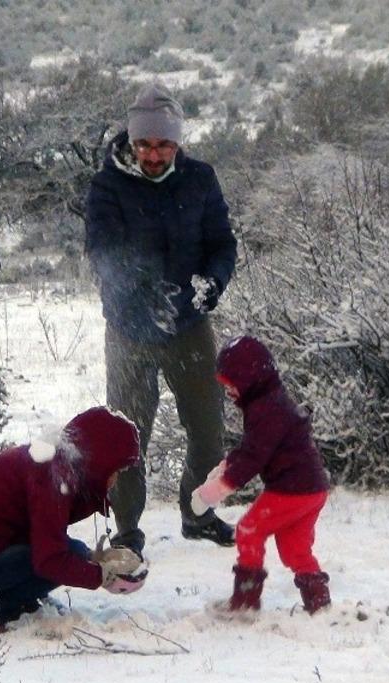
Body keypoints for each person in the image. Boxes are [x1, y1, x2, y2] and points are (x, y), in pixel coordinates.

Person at [84, 82, 237, 555]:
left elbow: (222, 243)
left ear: (177, 142)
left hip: (188, 324)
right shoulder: (108, 185)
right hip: (129, 328)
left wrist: (212, 284)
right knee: (127, 437)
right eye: (145, 144)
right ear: (132, 141)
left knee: (208, 428)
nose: (153, 155)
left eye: (163, 144)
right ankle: (127, 528)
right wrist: (141, 291)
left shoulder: (200, 179)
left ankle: (198, 513)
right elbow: (102, 250)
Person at [0, 407, 148, 634]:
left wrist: (94, 559)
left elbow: (42, 535)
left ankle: (24, 598)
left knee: (76, 552)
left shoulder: (54, 464)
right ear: (100, 460)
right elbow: (50, 560)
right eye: (116, 469)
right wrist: (103, 576)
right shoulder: (52, 479)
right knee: (66, 556)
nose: (116, 478)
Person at [191, 336, 332, 614]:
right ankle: (319, 604)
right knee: (295, 549)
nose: (228, 390)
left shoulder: (268, 409)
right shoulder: (268, 402)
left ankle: (245, 602)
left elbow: (253, 456)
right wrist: (227, 465)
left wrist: (218, 488)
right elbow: (252, 446)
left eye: (231, 383)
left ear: (249, 379)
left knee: (249, 530)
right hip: (312, 489)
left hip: (292, 489)